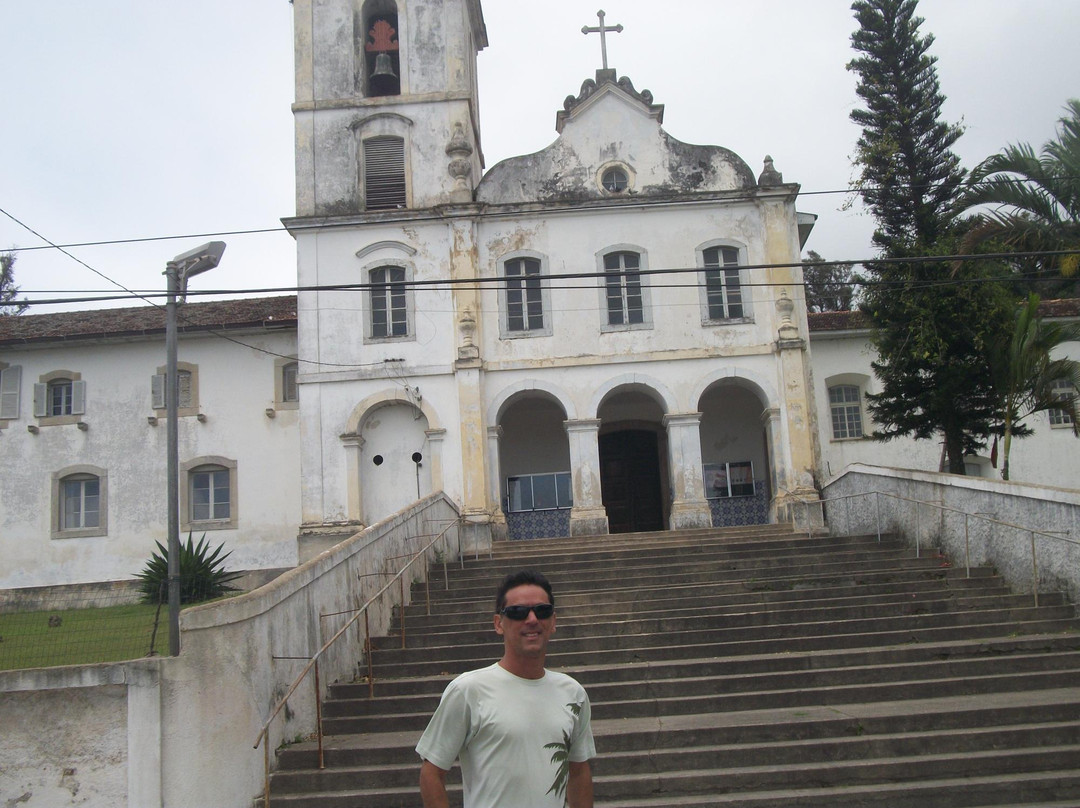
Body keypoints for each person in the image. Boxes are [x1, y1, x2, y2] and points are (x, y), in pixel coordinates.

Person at [416, 569, 596, 808]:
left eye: (542, 610)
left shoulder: (573, 693)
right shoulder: (468, 690)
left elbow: (579, 771)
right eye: (518, 612)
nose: (532, 619)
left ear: (553, 621)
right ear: (498, 623)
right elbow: (431, 773)